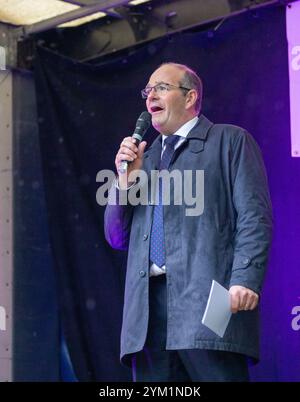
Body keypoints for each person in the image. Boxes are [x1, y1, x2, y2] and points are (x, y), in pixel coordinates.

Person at [104, 62, 273, 381]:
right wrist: (124, 181)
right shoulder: (146, 159)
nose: (150, 95)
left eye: (161, 88)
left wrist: (245, 280)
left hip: (212, 298)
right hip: (148, 313)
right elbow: (116, 236)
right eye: (147, 90)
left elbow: (254, 217)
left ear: (190, 96)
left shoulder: (229, 141)